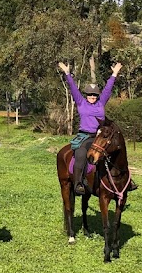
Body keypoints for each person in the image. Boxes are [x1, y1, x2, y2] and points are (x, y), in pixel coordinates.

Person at [57, 61, 136, 195]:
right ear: (86, 95)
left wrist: (114, 74)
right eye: (90, 95)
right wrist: (67, 73)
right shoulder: (81, 102)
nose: (92, 97)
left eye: (94, 95)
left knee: (117, 151)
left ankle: (126, 181)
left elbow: (108, 89)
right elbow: (73, 88)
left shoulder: (101, 103)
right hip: (85, 136)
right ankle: (78, 183)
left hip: (100, 136)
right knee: (81, 154)